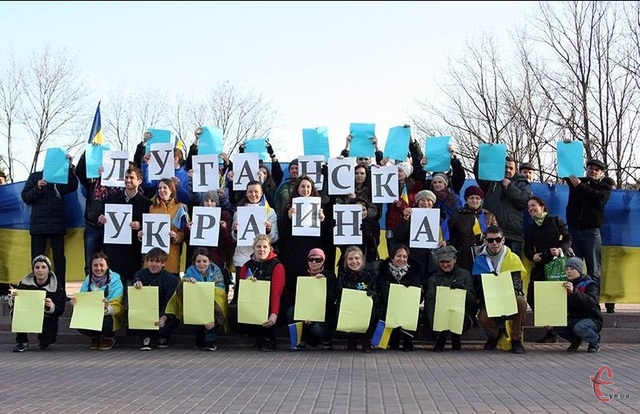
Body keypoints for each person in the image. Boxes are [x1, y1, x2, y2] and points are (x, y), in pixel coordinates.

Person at [21, 153, 78, 298]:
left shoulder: (60, 178)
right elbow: (26, 197)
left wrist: (70, 166)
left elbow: (73, 186)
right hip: (38, 227)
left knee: (59, 259)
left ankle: (60, 291)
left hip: (57, 225)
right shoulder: (35, 176)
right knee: (37, 259)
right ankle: (35, 290)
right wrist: (37, 187)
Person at [564, 159, 615, 313]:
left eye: (597, 169)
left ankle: (593, 302)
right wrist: (568, 148)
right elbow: (565, 166)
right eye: (591, 168)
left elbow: (599, 198)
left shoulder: (605, 184)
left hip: (591, 233)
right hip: (573, 230)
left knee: (594, 270)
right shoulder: (575, 179)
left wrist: (580, 186)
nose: (593, 171)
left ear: (602, 173)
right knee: (573, 268)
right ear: (585, 169)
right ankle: (574, 300)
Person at [471, 226, 528, 354]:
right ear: (485, 241)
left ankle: (516, 340)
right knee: (483, 318)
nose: (494, 243)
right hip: (490, 298)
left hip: (509, 296)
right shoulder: (479, 260)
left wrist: (506, 298)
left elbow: (517, 283)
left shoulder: (513, 258)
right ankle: (495, 335)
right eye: (490, 240)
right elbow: (478, 285)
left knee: (521, 302)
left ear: (503, 240)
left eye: (498, 239)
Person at [523, 196, 572, 343]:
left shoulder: (555, 221)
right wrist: (533, 256)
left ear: (542, 206)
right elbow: (527, 249)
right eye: (529, 207)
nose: (531, 209)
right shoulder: (530, 229)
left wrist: (560, 249)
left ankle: (558, 332)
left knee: (556, 298)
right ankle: (550, 329)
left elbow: (568, 239)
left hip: (556, 265)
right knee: (532, 296)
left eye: (534, 205)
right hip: (540, 265)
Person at [231, 234, 287, 351]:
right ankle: (258, 336)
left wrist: (274, 314)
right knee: (233, 319)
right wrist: (247, 283)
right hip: (253, 306)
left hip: (274, 306)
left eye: (265, 247)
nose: (262, 250)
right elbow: (242, 291)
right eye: (258, 247)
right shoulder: (246, 266)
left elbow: (276, 292)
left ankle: (269, 339)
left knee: (267, 313)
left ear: (270, 249)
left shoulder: (277, 266)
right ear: (254, 248)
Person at [100, 166, 152, 287]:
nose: (128, 180)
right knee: (113, 283)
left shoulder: (146, 203)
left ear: (139, 181)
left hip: (133, 250)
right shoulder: (111, 199)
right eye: (126, 178)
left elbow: (149, 227)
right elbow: (101, 218)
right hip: (114, 250)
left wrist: (141, 226)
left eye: (131, 178)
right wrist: (100, 219)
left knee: (131, 283)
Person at [473, 156, 532, 256]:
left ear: (515, 170)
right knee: (491, 269)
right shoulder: (490, 181)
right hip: (491, 236)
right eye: (505, 167)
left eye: (511, 168)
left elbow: (524, 201)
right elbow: (478, 171)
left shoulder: (521, 183)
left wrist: (509, 187)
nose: (507, 170)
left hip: (512, 236)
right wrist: (483, 153)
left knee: (512, 269)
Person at [9, 255, 66, 352]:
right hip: (27, 314)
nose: (40, 270)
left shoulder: (57, 287)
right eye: (37, 267)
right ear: (33, 270)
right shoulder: (24, 284)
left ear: (49, 269)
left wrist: (51, 307)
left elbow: (60, 309)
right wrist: (13, 299)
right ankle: (22, 342)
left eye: (43, 267)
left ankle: (44, 341)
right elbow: (12, 305)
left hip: (46, 317)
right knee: (15, 312)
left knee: (48, 339)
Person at [425, 246, 475, 352]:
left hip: (461, 314)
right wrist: (432, 321)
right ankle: (441, 337)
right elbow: (430, 300)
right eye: (441, 262)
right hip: (441, 315)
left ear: (455, 259)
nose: (445, 265)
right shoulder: (434, 278)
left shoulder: (465, 275)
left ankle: (456, 336)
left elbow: (472, 299)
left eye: (448, 261)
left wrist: (463, 290)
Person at [72, 252, 125, 351]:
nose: (98, 268)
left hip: (110, 314)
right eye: (95, 265)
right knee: (78, 319)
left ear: (107, 266)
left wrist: (107, 307)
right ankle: (94, 337)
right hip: (92, 312)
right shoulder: (87, 280)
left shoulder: (116, 280)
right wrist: (77, 303)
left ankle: (108, 338)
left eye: (101, 265)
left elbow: (118, 305)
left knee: (106, 321)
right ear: (91, 267)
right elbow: (83, 298)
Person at [288, 248, 338, 351]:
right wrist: (305, 314)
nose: (314, 262)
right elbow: (296, 297)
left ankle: (326, 339)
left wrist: (321, 284)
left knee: (317, 328)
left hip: (323, 313)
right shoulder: (301, 276)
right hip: (304, 311)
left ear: (323, 261)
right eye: (311, 259)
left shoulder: (330, 276)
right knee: (291, 311)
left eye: (318, 260)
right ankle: (299, 339)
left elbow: (331, 299)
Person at [179, 248, 229, 351]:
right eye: (198, 261)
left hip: (213, 303)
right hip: (195, 303)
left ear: (209, 261)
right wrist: (187, 281)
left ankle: (210, 340)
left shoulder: (216, 271)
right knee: (195, 314)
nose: (201, 264)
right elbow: (181, 288)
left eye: (204, 261)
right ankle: (199, 338)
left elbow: (220, 290)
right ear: (194, 262)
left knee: (213, 313)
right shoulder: (190, 271)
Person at [131, 247, 180, 351]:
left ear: (163, 264)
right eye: (151, 261)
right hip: (146, 310)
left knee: (167, 324)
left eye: (158, 261)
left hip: (163, 310)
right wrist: (137, 283)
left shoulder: (171, 279)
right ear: (146, 262)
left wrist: (165, 316)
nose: (154, 264)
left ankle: (164, 336)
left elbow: (170, 301)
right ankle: (145, 337)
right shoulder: (140, 275)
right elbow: (137, 278)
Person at [377, 244, 423, 351]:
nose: (401, 259)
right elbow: (380, 290)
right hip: (388, 306)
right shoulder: (383, 273)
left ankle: (408, 340)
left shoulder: (414, 273)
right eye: (398, 256)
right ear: (392, 257)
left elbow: (419, 295)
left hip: (407, 309)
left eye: (404, 256)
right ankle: (392, 339)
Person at [556, 257, 603, 353]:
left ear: (579, 270)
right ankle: (576, 341)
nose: (568, 271)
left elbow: (592, 302)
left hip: (591, 318)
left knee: (580, 328)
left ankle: (595, 341)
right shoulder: (564, 284)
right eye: (566, 269)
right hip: (574, 317)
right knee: (556, 326)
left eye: (572, 269)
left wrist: (574, 291)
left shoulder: (590, 284)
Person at [336, 246, 377, 353]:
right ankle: (351, 339)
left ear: (362, 260)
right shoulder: (342, 276)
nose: (354, 261)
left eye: (357, 258)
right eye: (350, 259)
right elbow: (338, 293)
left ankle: (365, 340)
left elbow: (376, 292)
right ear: (346, 261)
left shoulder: (370, 275)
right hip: (349, 310)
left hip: (365, 310)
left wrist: (371, 294)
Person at [448, 185, 498, 272]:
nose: (474, 201)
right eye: (471, 198)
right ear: (466, 199)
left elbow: (496, 235)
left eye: (477, 198)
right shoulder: (457, 216)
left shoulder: (489, 216)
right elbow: (449, 236)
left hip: (484, 257)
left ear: (481, 200)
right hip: (462, 257)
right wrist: (457, 249)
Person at [145, 178, 187, 276]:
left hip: (172, 255)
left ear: (171, 190)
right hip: (153, 257)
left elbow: (183, 232)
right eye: (159, 188)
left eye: (165, 188)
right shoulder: (152, 207)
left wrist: (176, 237)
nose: (161, 190)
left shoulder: (180, 207)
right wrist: (142, 234)